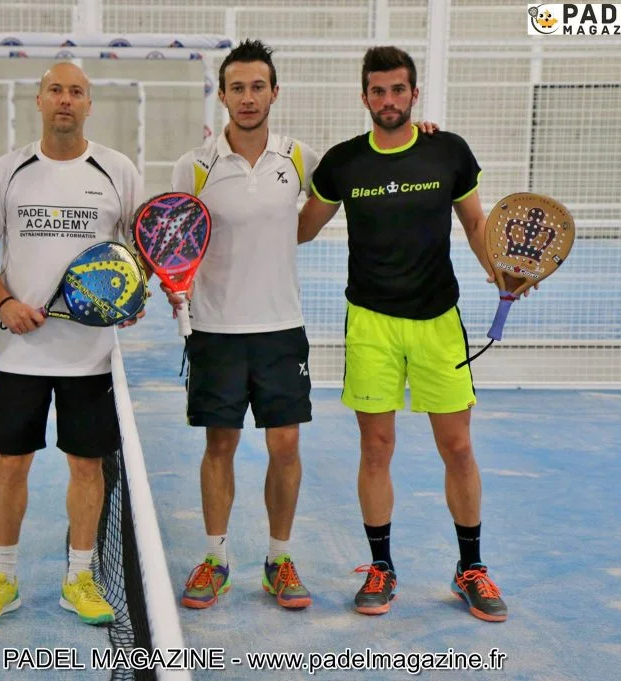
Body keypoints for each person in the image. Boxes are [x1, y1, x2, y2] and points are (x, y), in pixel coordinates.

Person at [298, 45, 508, 622]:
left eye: (398, 90)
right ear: (364, 96)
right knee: (376, 447)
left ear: (414, 94)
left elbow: (475, 224)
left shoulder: (449, 151)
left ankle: (471, 568)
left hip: (439, 320)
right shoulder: (343, 163)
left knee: (458, 447)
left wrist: (501, 270)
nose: (388, 101)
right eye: (377, 91)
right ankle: (381, 567)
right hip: (370, 323)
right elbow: (300, 229)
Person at [0, 62, 145, 628]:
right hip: (19, 354)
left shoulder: (118, 170)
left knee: (86, 466)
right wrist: (5, 304)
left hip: (89, 355)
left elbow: (140, 251)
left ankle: (81, 577)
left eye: (76, 92)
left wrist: (130, 297)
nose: (65, 100)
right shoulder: (6, 170)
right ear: (38, 101)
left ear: (90, 104)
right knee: (11, 462)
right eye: (56, 90)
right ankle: (2, 577)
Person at [163, 40, 319, 611]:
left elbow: (327, 206)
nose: (248, 98)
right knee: (220, 443)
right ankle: (215, 557)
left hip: (281, 327)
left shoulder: (299, 157)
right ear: (223, 95)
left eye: (258, 87)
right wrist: (173, 283)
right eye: (237, 88)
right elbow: (173, 239)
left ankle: (279, 558)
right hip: (216, 328)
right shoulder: (195, 165)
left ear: (274, 92)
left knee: (286, 444)